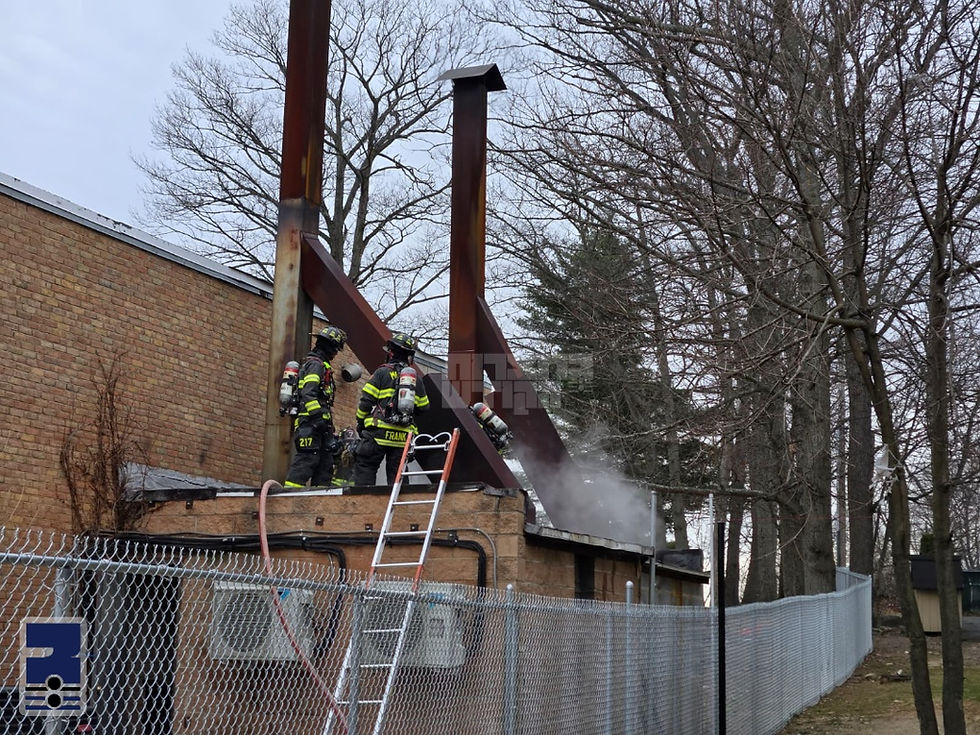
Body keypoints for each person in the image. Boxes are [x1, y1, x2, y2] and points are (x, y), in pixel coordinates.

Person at [352, 332, 430, 485]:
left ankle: (363, 506)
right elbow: (424, 407)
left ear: (391, 352)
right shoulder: (416, 381)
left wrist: (361, 423)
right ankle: (397, 508)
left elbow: (366, 402)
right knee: (398, 479)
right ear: (409, 356)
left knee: (365, 469)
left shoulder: (381, 372)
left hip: (377, 433)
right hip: (402, 438)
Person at [283, 325, 347, 488]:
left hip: (321, 426)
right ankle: (288, 499)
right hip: (310, 423)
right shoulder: (315, 365)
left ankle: (319, 502)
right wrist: (318, 417)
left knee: (325, 465)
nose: (335, 354)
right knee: (306, 461)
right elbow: (308, 394)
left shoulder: (321, 365)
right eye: (335, 350)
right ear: (331, 347)